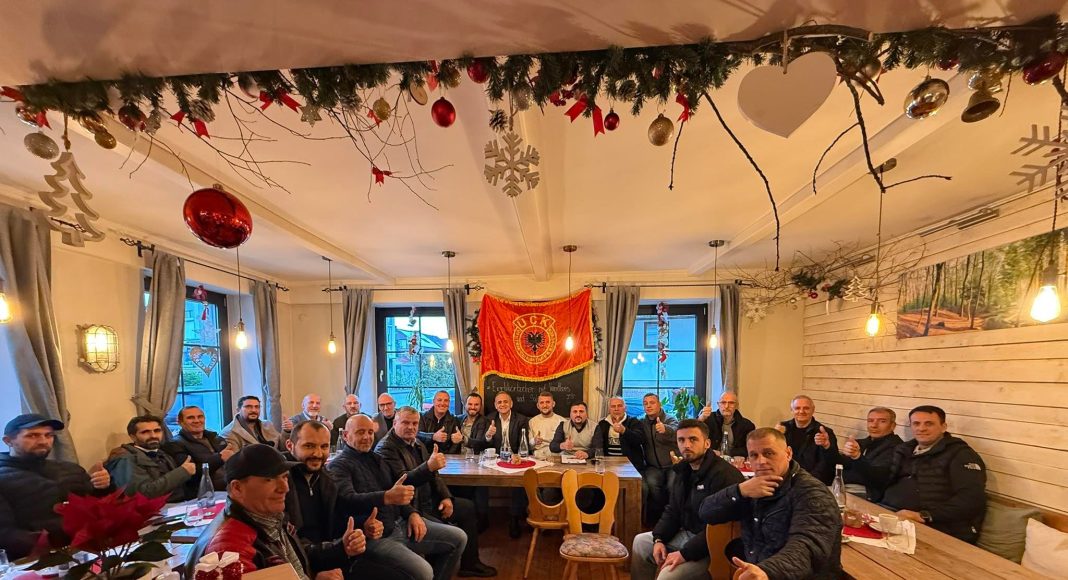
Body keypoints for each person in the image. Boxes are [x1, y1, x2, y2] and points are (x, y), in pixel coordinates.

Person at [187, 443, 355, 580]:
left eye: (284, 477)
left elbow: (294, 560)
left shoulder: (269, 518)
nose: (284, 487)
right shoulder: (229, 550)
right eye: (269, 479)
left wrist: (332, 556)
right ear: (237, 488)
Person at [329, 414, 467, 580]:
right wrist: (385, 497)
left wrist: (411, 513)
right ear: (345, 436)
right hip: (376, 537)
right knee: (424, 572)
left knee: (459, 538)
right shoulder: (339, 465)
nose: (367, 437)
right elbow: (347, 500)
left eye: (370, 432)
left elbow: (396, 490)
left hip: (399, 523)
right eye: (360, 432)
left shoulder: (376, 458)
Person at [699, 428, 842, 580]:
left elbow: (807, 548)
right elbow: (706, 513)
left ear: (788, 453)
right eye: (754, 455)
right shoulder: (752, 488)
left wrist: (766, 571)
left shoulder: (812, 493)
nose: (761, 461)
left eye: (768, 453)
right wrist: (739, 491)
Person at [378, 407, 496, 577]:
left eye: (415, 423)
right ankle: (436, 571)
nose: (411, 427)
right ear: (395, 423)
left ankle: (470, 564)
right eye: (405, 423)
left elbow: (435, 474)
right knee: (448, 533)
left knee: (468, 508)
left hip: (427, 500)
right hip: (410, 508)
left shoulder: (416, 442)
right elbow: (402, 481)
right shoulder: (386, 448)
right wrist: (428, 467)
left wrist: (446, 497)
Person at [284, 420, 403, 579]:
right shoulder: (280, 483)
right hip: (303, 566)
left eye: (324, 446)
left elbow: (338, 517)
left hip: (332, 555)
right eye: (309, 446)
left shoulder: (325, 478)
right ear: (290, 445)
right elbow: (282, 543)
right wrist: (312, 574)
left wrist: (364, 526)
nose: (318, 453)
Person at [631, 420, 745, 580]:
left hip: (714, 547)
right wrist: (659, 539)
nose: (686, 445)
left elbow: (721, 529)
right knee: (641, 543)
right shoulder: (683, 470)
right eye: (681, 440)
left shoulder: (724, 475)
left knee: (668, 576)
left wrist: (684, 554)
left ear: (707, 443)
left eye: (693, 439)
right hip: (687, 535)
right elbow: (673, 510)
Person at [0, 414, 112, 559]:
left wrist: (103, 487)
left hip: (92, 549)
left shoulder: (71, 469)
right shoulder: (3, 477)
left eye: (49, 435)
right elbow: (5, 532)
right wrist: (54, 545)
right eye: (32, 435)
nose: (43, 441)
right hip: (35, 559)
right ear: (8, 440)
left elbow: (97, 506)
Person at [874, 405, 987, 543]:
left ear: (943, 427)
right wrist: (857, 458)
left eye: (929, 424)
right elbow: (884, 478)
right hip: (888, 512)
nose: (921, 428)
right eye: (916, 424)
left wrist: (924, 516)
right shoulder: (904, 450)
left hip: (934, 525)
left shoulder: (961, 455)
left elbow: (972, 499)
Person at [107, 415, 194, 500]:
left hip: (178, 503)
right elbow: (141, 494)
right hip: (154, 507)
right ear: (133, 437)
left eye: (157, 431)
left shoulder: (162, 453)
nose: (153, 436)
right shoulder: (125, 458)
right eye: (145, 432)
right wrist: (182, 472)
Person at [481, 391, 531, 538]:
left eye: (505, 402)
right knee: (481, 480)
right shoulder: (489, 419)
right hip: (495, 460)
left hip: (514, 458)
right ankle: (483, 517)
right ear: (495, 405)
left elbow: (524, 442)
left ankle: (514, 519)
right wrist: (488, 435)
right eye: (499, 402)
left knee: (519, 482)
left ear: (511, 404)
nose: (502, 404)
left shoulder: (521, 419)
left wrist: (516, 455)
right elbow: (484, 444)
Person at [163, 405, 234, 495]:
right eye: (190, 418)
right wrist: (219, 458)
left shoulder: (217, 439)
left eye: (200, 417)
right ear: (180, 422)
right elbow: (191, 474)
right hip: (201, 494)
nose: (197, 421)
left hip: (229, 488)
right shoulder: (175, 444)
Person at [838, 407, 903, 499]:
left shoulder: (898, 448)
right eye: (870, 421)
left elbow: (878, 478)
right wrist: (827, 447)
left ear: (893, 426)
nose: (874, 425)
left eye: (882, 421)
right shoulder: (861, 443)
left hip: (869, 494)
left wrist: (857, 458)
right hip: (844, 486)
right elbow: (840, 466)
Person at [775, 395, 838, 485]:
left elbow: (830, 464)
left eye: (806, 408)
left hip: (812, 482)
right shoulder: (783, 428)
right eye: (797, 408)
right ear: (792, 410)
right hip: (785, 479)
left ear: (813, 410)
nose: (801, 411)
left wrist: (827, 446)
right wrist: (775, 436)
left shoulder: (824, 432)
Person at [639, 393, 679, 525]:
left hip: (672, 465)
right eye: (645, 403)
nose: (648, 406)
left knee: (672, 485)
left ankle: (673, 519)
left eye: (652, 402)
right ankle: (659, 519)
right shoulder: (642, 422)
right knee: (652, 485)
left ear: (659, 404)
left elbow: (677, 432)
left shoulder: (669, 419)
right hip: (653, 466)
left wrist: (665, 429)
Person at [593, 396, 646, 472]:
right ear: (609, 409)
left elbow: (640, 440)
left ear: (625, 408)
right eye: (613, 406)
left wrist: (624, 431)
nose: (616, 409)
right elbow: (597, 444)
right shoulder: (602, 424)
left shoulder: (634, 422)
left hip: (630, 464)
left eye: (619, 406)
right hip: (608, 463)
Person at [697, 390, 755, 459]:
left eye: (731, 403)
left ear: (736, 405)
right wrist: (700, 419)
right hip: (709, 459)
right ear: (718, 404)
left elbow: (749, 448)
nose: (727, 406)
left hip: (733, 461)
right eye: (723, 402)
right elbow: (694, 437)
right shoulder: (708, 419)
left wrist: (724, 453)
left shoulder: (747, 425)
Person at [221, 395, 289, 451]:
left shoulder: (267, 425)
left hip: (277, 460)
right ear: (238, 410)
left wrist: (287, 431)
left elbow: (283, 448)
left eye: (257, 407)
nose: (254, 410)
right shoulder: (229, 432)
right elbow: (234, 460)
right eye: (248, 407)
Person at [418, 390, 464, 455]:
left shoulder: (454, 419)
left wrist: (447, 457)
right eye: (439, 400)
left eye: (446, 400)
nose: (442, 403)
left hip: (446, 457)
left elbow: (455, 445)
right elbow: (416, 435)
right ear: (433, 402)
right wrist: (433, 436)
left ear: (449, 403)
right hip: (424, 457)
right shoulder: (421, 417)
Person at [527, 391, 565, 459]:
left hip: (557, 456)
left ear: (553, 404)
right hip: (537, 456)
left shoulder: (563, 421)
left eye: (548, 402)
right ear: (538, 406)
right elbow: (528, 445)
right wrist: (534, 441)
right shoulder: (532, 422)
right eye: (542, 403)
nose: (545, 405)